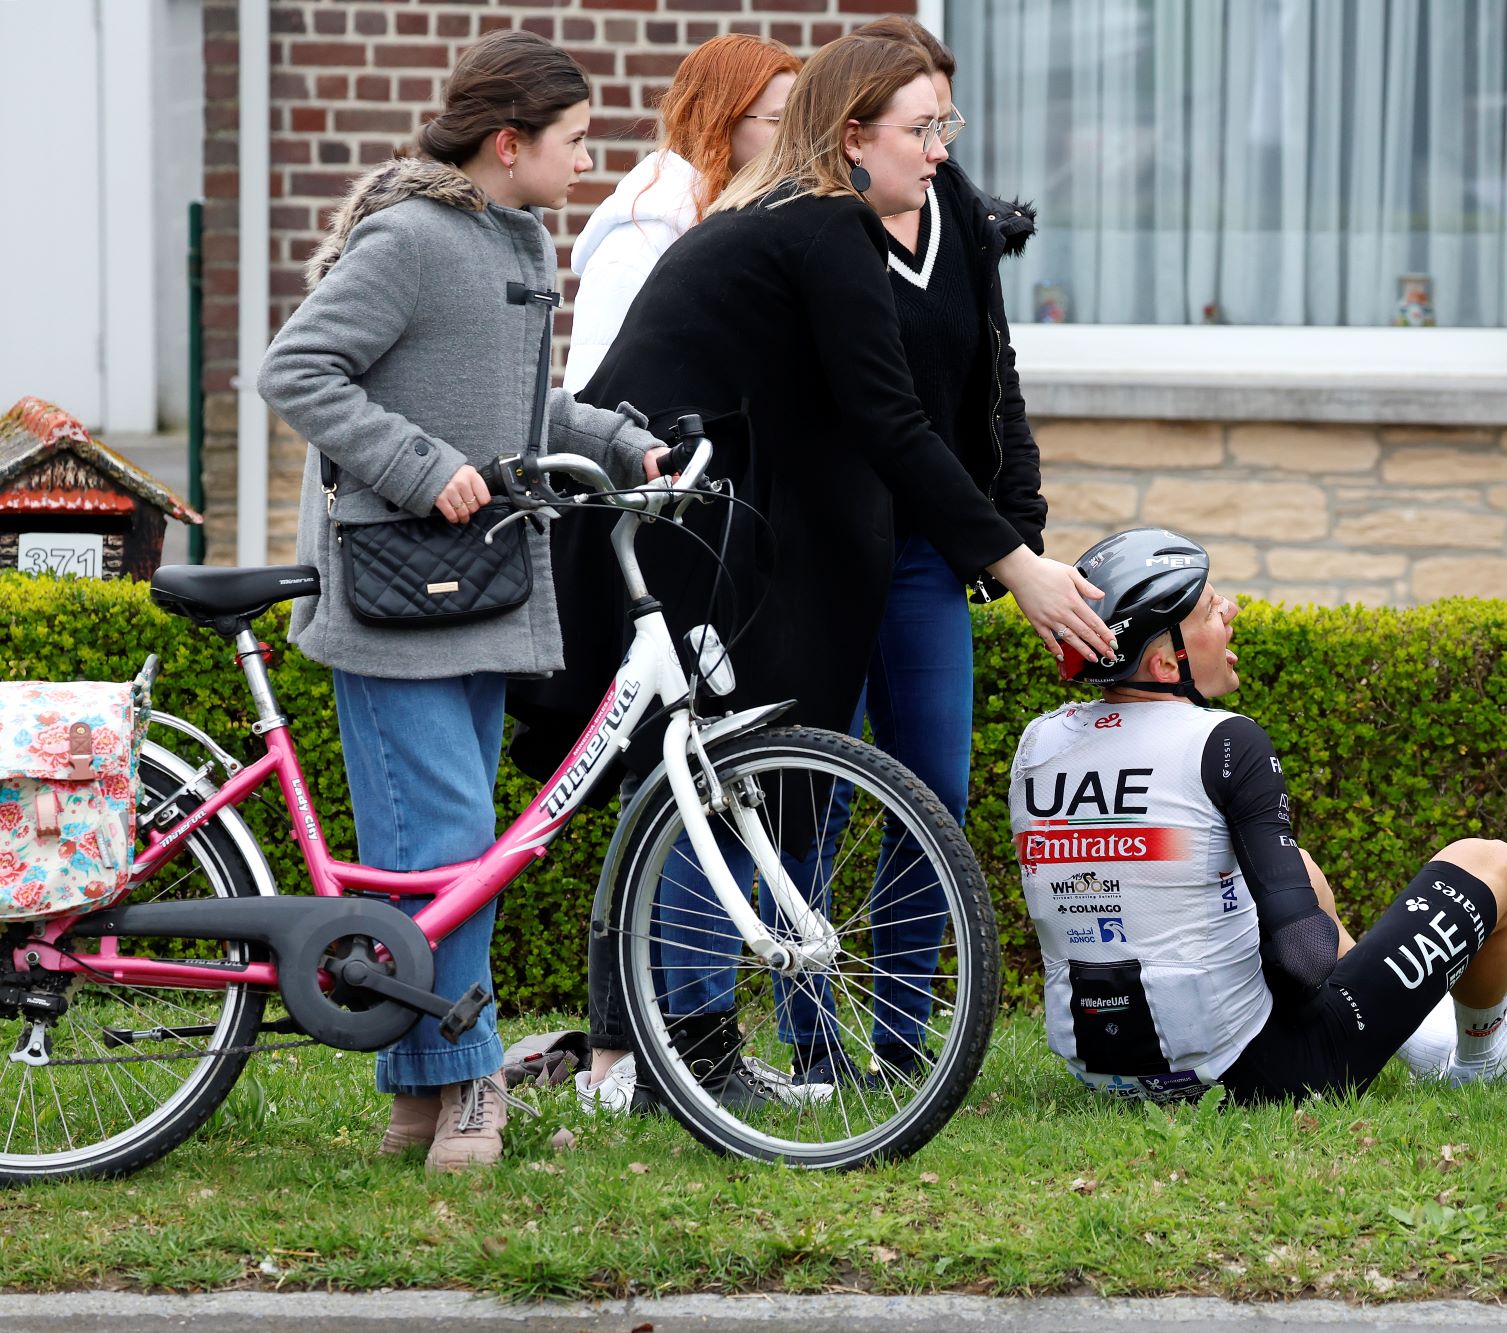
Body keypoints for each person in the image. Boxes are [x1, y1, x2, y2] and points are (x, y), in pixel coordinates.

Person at [563, 32, 1113, 1110]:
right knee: (781, 787)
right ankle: (731, 1049)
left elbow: (985, 384)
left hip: (916, 542)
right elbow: (885, 418)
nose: (942, 149)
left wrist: (1017, 529)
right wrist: (1015, 561)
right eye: (922, 128)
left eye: (947, 123)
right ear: (851, 135)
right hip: (796, 539)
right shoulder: (811, 230)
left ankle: (900, 1041)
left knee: (928, 792)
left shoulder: (945, 211)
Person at [257, 30, 672, 1170]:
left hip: (479, 584)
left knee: (451, 860)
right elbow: (296, 369)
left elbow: (525, 407)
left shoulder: (519, 237)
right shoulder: (407, 239)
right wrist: (415, 462)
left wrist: (626, 445)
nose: (588, 163)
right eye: (575, 141)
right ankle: (470, 1078)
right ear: (509, 141)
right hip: (394, 591)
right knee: (444, 843)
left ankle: (420, 1093)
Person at [1008, 528, 1507, 1104]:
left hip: (1103, 1069)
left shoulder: (1040, 742)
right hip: (1257, 1073)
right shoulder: (1223, 740)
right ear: (1167, 664)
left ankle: (1429, 1045)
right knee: (1490, 862)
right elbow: (1303, 958)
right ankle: (1481, 1056)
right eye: (1212, 609)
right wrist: (1349, 998)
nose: (1232, 609)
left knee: (1297, 869)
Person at [561, 33, 801, 392]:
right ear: (720, 119)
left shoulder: (746, 224)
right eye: (777, 122)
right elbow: (592, 399)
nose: (795, 140)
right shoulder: (638, 240)